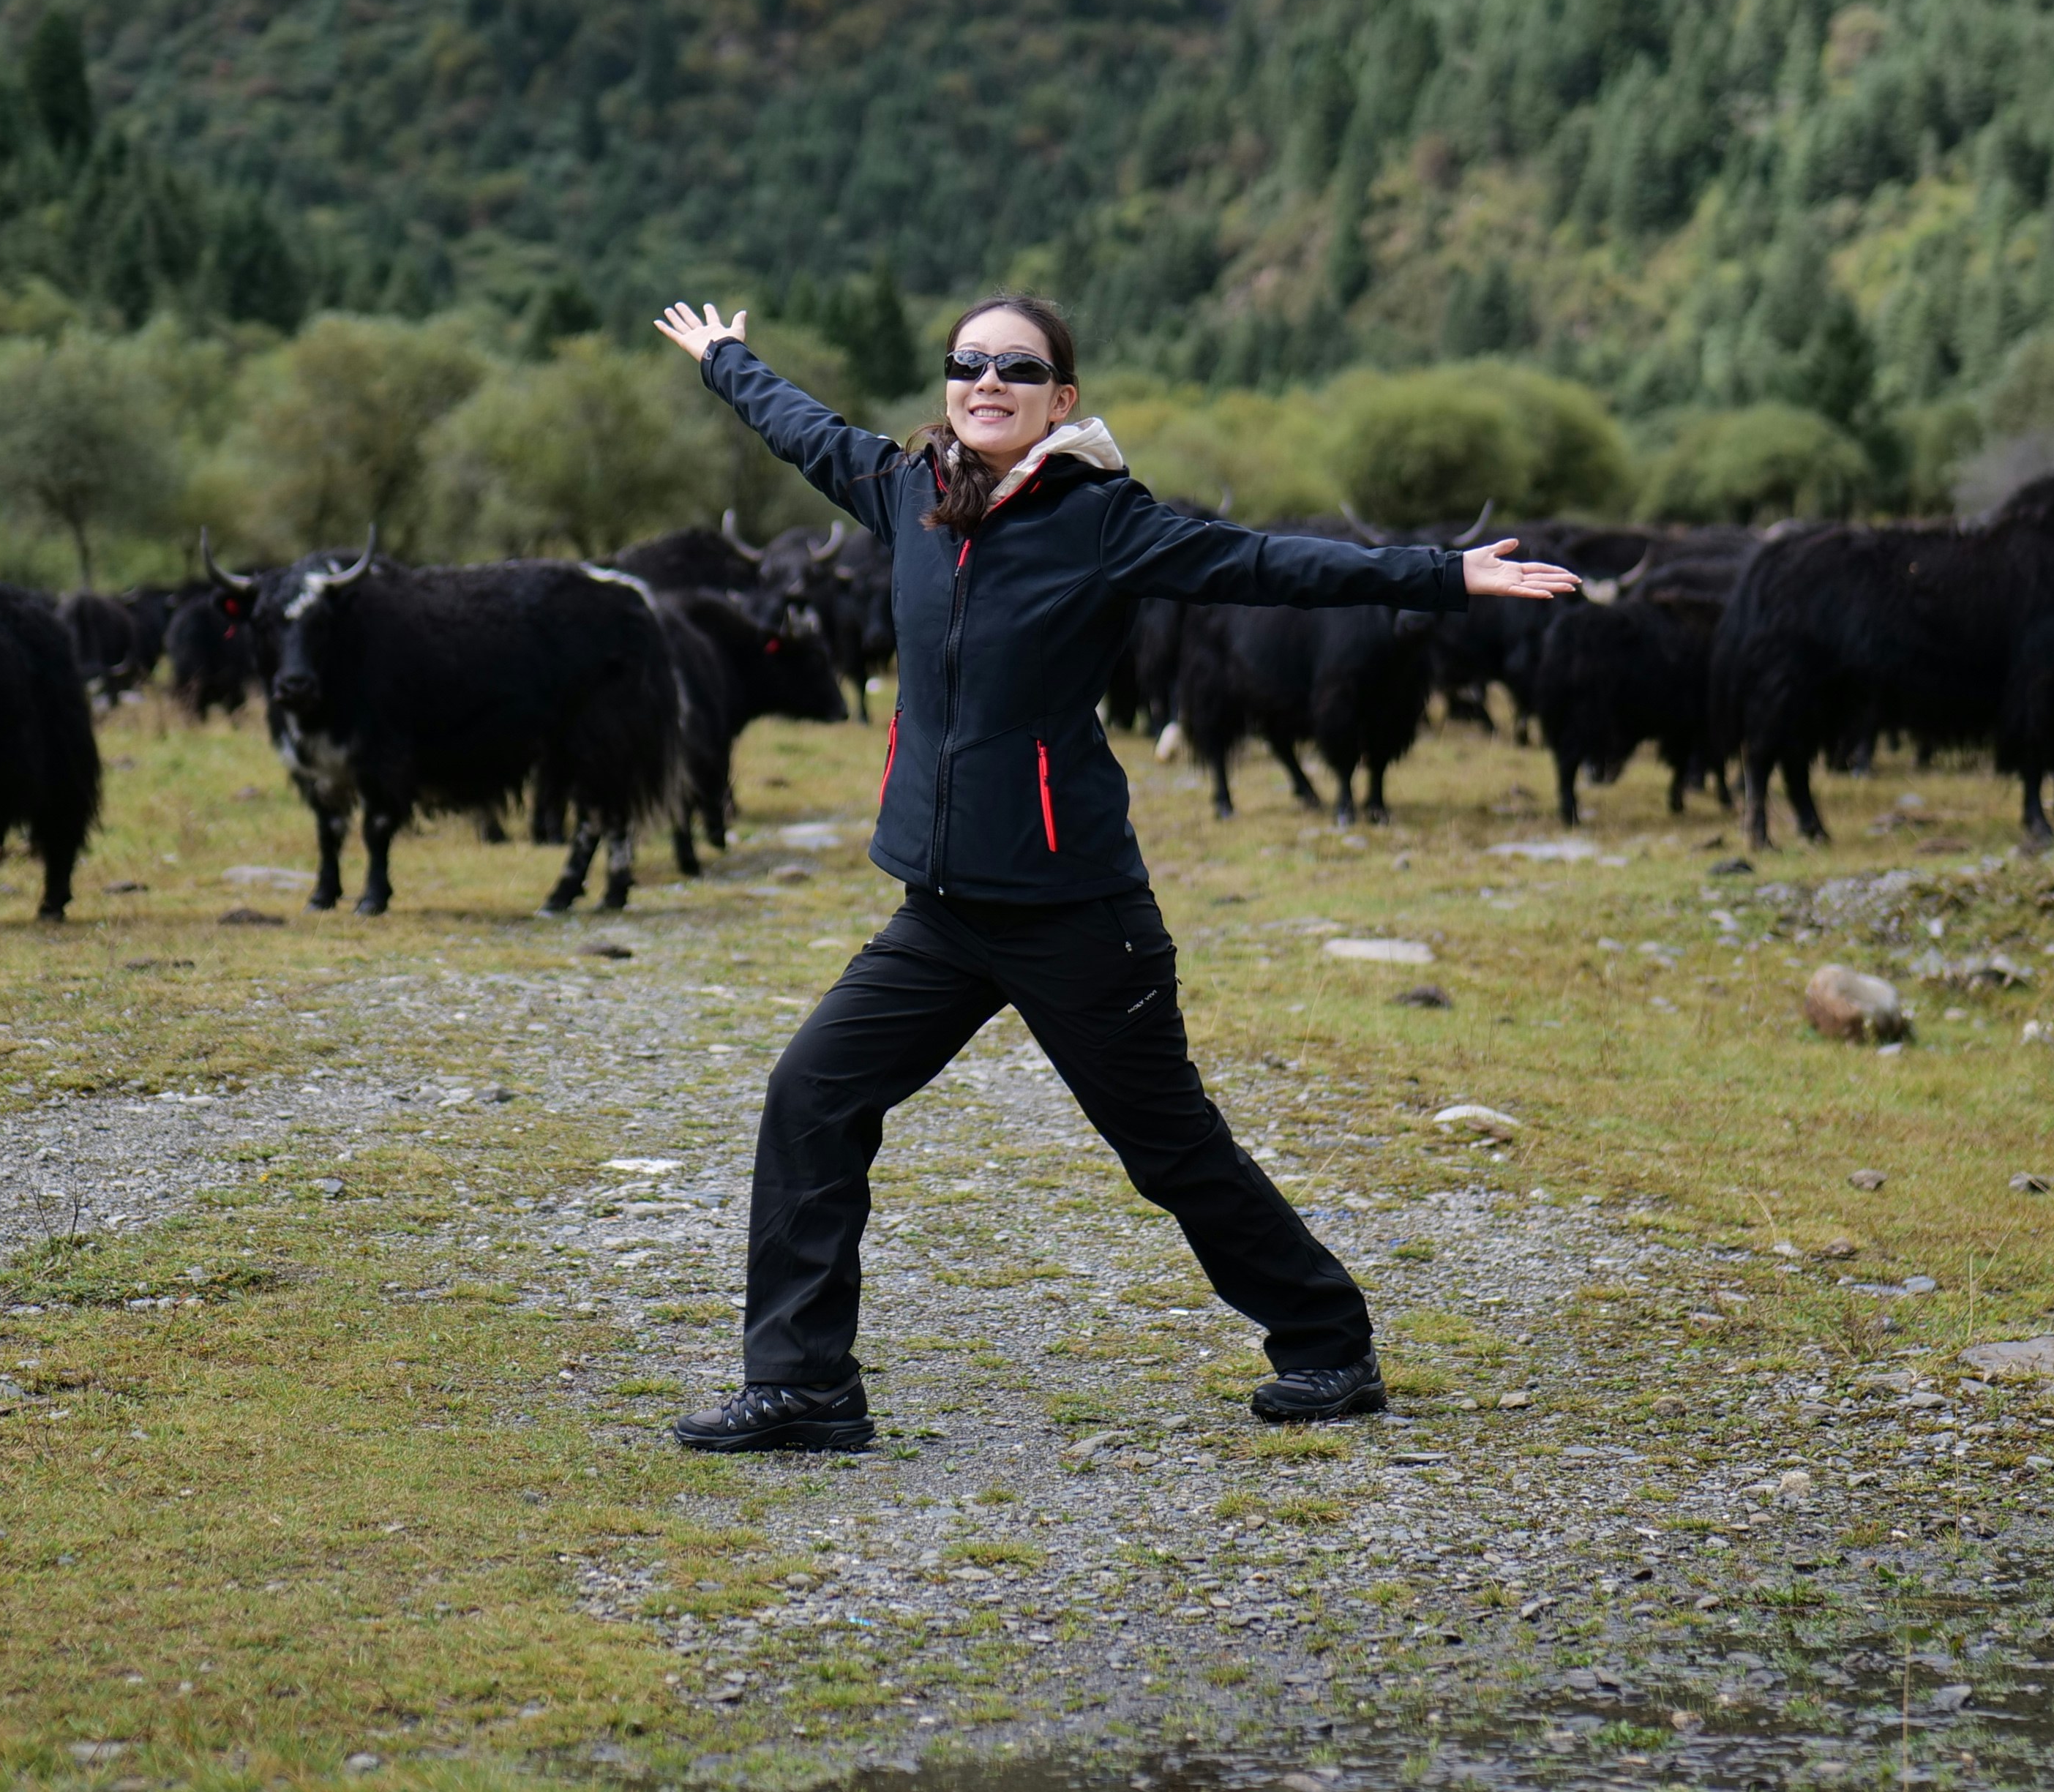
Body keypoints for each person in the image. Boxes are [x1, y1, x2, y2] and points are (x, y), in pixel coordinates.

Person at [647, 288, 1578, 1454]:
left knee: (1170, 1149)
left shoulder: (1101, 518)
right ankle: (804, 1386)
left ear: (1060, 400)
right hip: (941, 914)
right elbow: (804, 429)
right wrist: (727, 359)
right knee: (813, 1096)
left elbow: (1265, 565)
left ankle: (1329, 1341)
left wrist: (1445, 577)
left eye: (1017, 370)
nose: (987, 382)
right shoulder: (908, 492)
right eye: (968, 363)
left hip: (1074, 912)